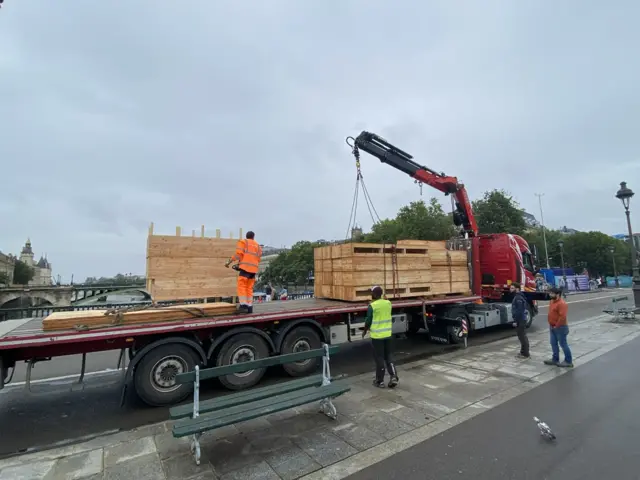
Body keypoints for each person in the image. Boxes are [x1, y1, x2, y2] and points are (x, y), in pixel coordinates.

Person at [362, 286, 399, 388]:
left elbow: (368, 321)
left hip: (377, 336)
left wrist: (365, 331)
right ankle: (393, 376)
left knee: (379, 358)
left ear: (374, 294)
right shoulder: (388, 303)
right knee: (389, 356)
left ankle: (380, 381)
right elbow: (386, 303)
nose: (371, 295)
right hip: (387, 334)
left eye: (372, 293)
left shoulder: (372, 306)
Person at [225, 231, 262, 314]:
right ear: (253, 237)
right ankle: (249, 307)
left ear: (246, 236)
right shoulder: (258, 246)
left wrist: (229, 262)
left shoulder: (243, 242)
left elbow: (239, 255)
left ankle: (243, 306)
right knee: (249, 288)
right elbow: (258, 259)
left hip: (245, 268)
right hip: (254, 270)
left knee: (242, 286)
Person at [544, 287, 573, 367]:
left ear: (558, 294)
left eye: (552, 293)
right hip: (552, 326)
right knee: (553, 343)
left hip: (560, 327)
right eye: (550, 293)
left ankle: (568, 361)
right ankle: (555, 359)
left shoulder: (562, 304)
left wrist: (556, 326)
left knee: (563, 344)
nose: (550, 295)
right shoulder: (552, 301)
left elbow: (562, 317)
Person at [510, 282, 530, 359]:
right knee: (522, 336)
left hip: (520, 320)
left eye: (512, 288)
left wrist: (515, 321)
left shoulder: (518, 298)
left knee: (522, 336)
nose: (510, 290)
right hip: (521, 319)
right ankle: (523, 352)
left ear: (517, 289)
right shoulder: (518, 296)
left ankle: (525, 353)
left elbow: (519, 311)